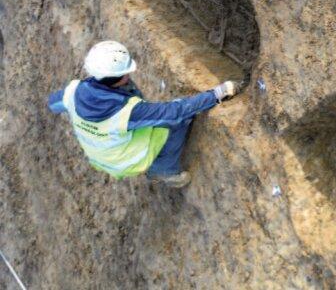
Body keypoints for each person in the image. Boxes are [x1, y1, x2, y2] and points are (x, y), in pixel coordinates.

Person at [47, 40, 238, 187]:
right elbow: (175, 112)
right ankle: (164, 171)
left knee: (136, 99)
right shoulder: (126, 111)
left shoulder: (72, 91)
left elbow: (53, 104)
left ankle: (157, 163)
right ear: (119, 75)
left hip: (99, 155)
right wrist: (216, 94)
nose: (129, 75)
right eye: (126, 72)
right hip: (124, 161)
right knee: (175, 121)